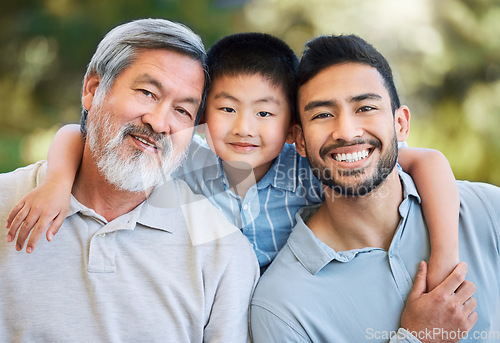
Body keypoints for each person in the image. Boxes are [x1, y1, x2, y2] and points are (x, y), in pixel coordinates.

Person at [8, 33, 458, 288]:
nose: (245, 127)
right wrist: (56, 183)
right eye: (227, 109)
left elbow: (428, 162)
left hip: (290, 309)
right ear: (203, 115)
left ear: (292, 129)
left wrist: (445, 257)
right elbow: (76, 131)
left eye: (265, 113)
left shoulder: (306, 167)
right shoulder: (188, 161)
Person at [0, 18, 259, 342]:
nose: (160, 122)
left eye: (182, 111)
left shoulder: (223, 253)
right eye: (148, 93)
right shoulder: (5, 201)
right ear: (93, 90)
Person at [250, 34, 500, 342]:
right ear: (299, 140)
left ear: (401, 124)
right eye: (323, 114)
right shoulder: (281, 308)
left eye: (365, 107)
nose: (346, 131)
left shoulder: (489, 212)